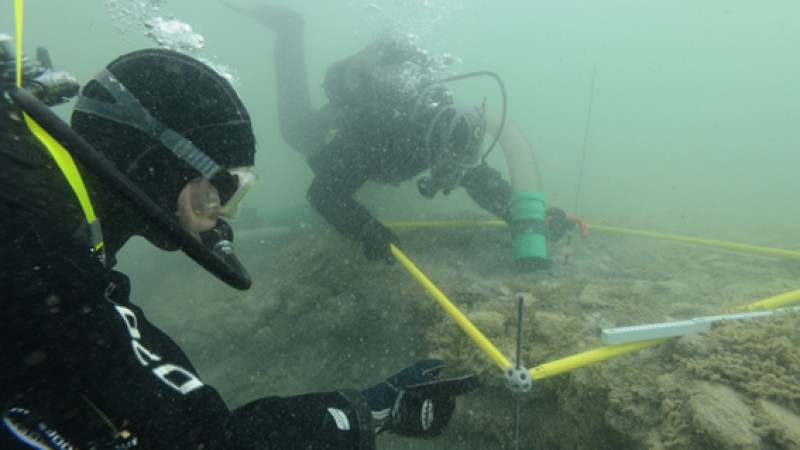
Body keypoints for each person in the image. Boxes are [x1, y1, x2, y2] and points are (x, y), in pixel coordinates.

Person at [0, 37, 478, 448]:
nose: (217, 222)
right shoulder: (43, 261)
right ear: (157, 161)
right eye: (214, 193)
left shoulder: (44, 215)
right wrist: (375, 409)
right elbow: (204, 438)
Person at [224, 3, 568, 268]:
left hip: (383, 137)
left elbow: (479, 179)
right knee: (295, 129)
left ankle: (290, 32)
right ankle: (289, 33)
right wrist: (366, 229)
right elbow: (322, 194)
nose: (454, 174)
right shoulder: (377, 142)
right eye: (451, 163)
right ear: (434, 146)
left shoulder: (448, 132)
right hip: (340, 128)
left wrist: (528, 218)